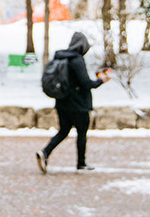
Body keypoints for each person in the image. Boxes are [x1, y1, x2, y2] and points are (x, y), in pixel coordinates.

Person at [36, 32, 111, 173]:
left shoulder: (61, 57)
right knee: (82, 132)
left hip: (62, 102)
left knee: (63, 131)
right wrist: (101, 80)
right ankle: (81, 163)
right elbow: (86, 83)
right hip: (78, 104)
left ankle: (45, 152)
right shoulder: (77, 60)